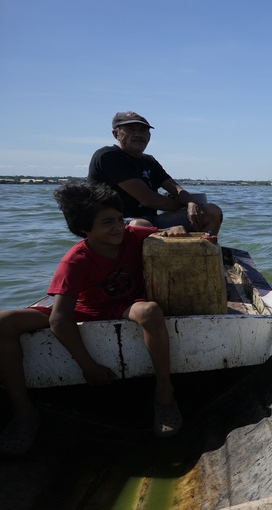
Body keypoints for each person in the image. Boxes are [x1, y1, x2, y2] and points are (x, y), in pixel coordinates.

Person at [0, 182, 187, 455]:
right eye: (107, 223)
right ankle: (24, 413)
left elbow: (162, 233)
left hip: (124, 305)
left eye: (119, 220)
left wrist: (173, 230)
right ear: (84, 229)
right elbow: (60, 319)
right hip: (85, 308)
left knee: (150, 311)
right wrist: (88, 366)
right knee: (4, 321)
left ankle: (165, 394)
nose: (117, 227)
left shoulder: (133, 235)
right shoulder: (75, 260)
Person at [88, 111, 223, 234]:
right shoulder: (108, 156)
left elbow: (175, 188)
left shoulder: (149, 161)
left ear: (149, 136)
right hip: (116, 223)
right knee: (141, 225)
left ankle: (202, 254)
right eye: (130, 129)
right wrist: (185, 206)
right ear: (116, 134)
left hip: (151, 220)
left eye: (143, 130)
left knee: (212, 212)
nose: (138, 134)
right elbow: (149, 200)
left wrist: (192, 203)